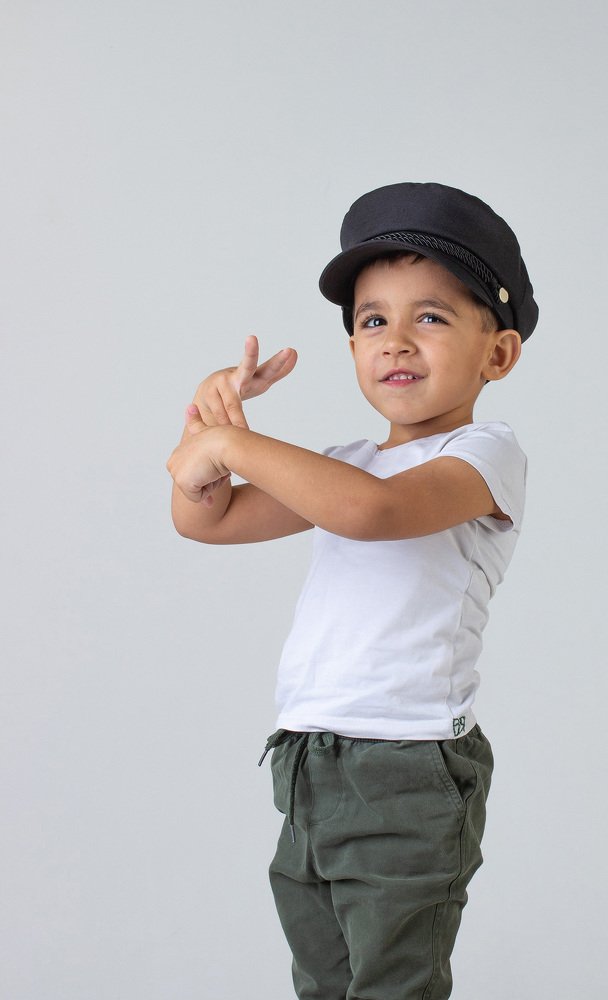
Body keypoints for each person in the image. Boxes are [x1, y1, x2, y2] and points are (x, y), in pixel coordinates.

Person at [166, 181, 538, 1000]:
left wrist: (235, 446)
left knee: (391, 984)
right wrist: (205, 429)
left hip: (406, 766)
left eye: (430, 317)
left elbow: (372, 513)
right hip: (311, 758)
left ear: (497, 354)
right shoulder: (350, 463)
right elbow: (207, 520)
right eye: (372, 321)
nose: (395, 340)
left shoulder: (484, 456)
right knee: (323, 981)